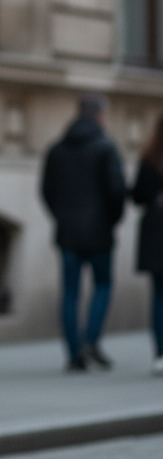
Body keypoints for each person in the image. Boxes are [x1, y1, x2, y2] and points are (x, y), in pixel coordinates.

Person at [41, 94, 126, 371]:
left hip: (67, 232)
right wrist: (111, 220)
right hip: (99, 231)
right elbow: (116, 191)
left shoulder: (57, 149)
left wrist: (62, 217)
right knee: (102, 285)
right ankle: (90, 339)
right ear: (99, 115)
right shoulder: (105, 147)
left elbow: (46, 191)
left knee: (70, 292)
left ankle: (74, 353)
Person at [130, 113, 163, 375]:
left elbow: (137, 195)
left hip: (155, 230)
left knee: (159, 296)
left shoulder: (149, 158)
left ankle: (161, 353)